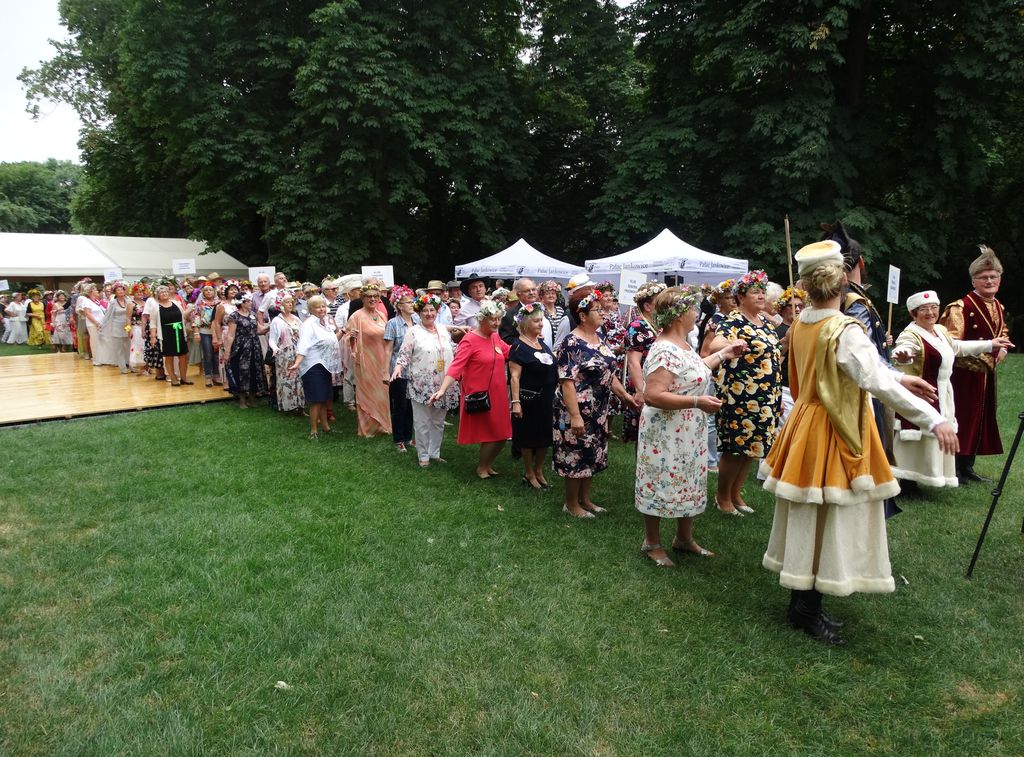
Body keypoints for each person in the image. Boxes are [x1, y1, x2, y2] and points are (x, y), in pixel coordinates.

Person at [760, 240, 957, 645]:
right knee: (829, 512)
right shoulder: (842, 329)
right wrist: (933, 418)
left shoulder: (802, 322)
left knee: (809, 512)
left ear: (807, 286)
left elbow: (864, 370)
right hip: (836, 427)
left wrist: (899, 378)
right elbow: (873, 378)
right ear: (843, 284)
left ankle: (803, 602)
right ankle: (806, 607)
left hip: (806, 422)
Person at [636, 286, 748, 566]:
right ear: (678, 315)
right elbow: (653, 395)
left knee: (688, 480)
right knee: (660, 480)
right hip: (665, 432)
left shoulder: (683, 345)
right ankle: (651, 543)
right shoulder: (664, 349)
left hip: (687, 430)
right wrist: (697, 401)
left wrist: (725, 353)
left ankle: (684, 539)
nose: (697, 313)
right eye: (693, 308)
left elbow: (694, 371)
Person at [891, 289, 1013, 489]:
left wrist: (990, 344)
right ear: (914, 313)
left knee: (931, 437)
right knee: (916, 436)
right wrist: (902, 355)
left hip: (943, 392)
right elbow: (904, 349)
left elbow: (956, 347)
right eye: (924, 309)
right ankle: (907, 481)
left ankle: (922, 476)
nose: (930, 313)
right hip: (922, 393)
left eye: (934, 308)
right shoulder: (910, 334)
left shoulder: (940, 330)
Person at [554, 286, 639, 517]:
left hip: (599, 409)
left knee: (592, 453)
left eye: (603, 309)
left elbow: (608, 373)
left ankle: (585, 499)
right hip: (577, 409)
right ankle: (571, 504)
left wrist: (625, 396)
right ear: (582, 315)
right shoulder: (571, 343)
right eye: (597, 309)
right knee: (576, 454)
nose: (604, 313)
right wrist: (575, 416)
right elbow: (567, 382)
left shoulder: (599, 338)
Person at [706, 270, 782, 516]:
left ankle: (736, 493)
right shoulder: (734, 320)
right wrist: (733, 344)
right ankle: (722, 497)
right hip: (740, 395)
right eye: (755, 292)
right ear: (740, 297)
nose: (761, 296)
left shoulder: (765, 322)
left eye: (762, 292)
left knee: (753, 447)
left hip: (766, 394)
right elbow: (715, 345)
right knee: (736, 447)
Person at [939, 246, 1011, 484]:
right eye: (984, 277)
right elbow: (951, 343)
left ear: (999, 279)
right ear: (973, 281)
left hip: (985, 374)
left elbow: (1002, 333)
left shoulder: (998, 306)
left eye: (993, 276)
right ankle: (954, 467)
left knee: (979, 419)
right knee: (962, 418)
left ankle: (967, 466)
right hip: (963, 374)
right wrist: (987, 349)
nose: (989, 281)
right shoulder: (960, 308)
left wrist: (1002, 349)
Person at [429, 299, 511, 479]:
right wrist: (442, 390)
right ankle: (482, 467)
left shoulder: (495, 337)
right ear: (482, 319)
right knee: (491, 433)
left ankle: (487, 465)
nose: (497, 323)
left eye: (499, 319)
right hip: (480, 394)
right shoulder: (470, 339)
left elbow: (509, 352)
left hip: (498, 393)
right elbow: (456, 366)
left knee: (502, 433)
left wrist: (531, 345)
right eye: (493, 319)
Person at [392, 294, 460, 466]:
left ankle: (434, 453)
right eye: (425, 311)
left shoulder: (442, 329)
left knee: (438, 422)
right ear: (419, 313)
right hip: (421, 383)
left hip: (443, 383)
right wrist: (398, 368)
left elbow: (452, 348)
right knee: (422, 422)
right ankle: (423, 455)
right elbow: (404, 354)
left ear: (437, 311)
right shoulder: (413, 332)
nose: (429, 314)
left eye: (432, 310)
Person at [509, 302, 558, 489]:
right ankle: (529, 472)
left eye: (541, 320)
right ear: (526, 323)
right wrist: (516, 402)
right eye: (536, 321)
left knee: (545, 436)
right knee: (528, 437)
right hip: (528, 399)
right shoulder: (518, 347)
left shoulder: (541, 343)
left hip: (546, 399)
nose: (540, 324)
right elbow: (514, 377)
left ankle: (539, 470)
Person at [289, 295, 342, 438]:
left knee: (324, 398)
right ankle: (313, 431)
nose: (321, 309)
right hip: (313, 366)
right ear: (311, 309)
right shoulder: (309, 324)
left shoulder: (324, 322)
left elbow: (333, 340)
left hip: (324, 365)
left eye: (323, 306)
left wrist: (343, 331)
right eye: (317, 307)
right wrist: (297, 363)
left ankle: (325, 427)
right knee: (316, 400)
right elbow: (303, 345)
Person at [346, 281, 392, 437]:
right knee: (367, 394)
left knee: (382, 394)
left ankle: (383, 426)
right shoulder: (356, 316)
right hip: (365, 361)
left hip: (382, 360)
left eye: (375, 296)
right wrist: (351, 337)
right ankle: (367, 429)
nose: (372, 299)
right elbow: (347, 339)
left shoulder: (382, 315)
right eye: (369, 296)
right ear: (363, 298)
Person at [624, 281, 667, 443]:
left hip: (661, 382)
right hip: (644, 384)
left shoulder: (661, 324)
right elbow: (633, 362)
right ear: (647, 306)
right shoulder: (637, 326)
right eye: (659, 301)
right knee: (645, 434)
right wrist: (641, 390)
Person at [383, 285, 419, 452]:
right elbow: (388, 349)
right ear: (399, 306)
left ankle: (409, 436)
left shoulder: (417, 321)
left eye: (412, 301)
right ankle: (399, 439)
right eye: (408, 302)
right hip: (399, 371)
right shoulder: (393, 324)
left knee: (412, 406)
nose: (412, 304)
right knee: (400, 406)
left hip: (416, 370)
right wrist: (385, 371)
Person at [225, 292, 268, 406]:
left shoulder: (252, 314)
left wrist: (270, 326)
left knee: (254, 371)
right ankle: (242, 400)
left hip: (254, 348)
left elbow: (259, 330)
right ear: (242, 303)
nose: (250, 303)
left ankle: (252, 399)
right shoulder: (234, 316)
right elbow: (230, 335)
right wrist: (227, 351)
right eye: (248, 301)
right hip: (241, 349)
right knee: (242, 372)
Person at [146, 284, 191, 385]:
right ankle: (173, 378)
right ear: (157, 295)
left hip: (179, 332)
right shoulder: (155, 307)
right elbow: (153, 323)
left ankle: (184, 378)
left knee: (183, 356)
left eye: (166, 292)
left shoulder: (176, 303)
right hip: (166, 334)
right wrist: (153, 337)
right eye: (161, 292)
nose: (164, 294)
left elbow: (183, 315)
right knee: (169, 356)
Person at [268, 294, 306, 414]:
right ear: (280, 305)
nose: (290, 304)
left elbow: (304, 334)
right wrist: (275, 348)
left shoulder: (296, 319)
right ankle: (288, 407)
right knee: (286, 378)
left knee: (299, 378)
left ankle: (300, 406)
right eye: (287, 302)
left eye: (291, 302)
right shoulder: (276, 321)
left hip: (298, 352)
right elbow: (272, 339)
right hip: (284, 354)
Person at [774, 285, 806, 425]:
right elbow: (774, 365)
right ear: (782, 309)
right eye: (792, 306)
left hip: (802, 391)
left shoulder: (804, 331)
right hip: (786, 391)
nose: (797, 309)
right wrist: (778, 395)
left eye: (800, 306)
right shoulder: (778, 333)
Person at [97, 281, 131, 372]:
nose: (120, 291)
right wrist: (101, 325)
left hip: (127, 326)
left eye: (122, 290)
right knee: (119, 348)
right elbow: (107, 315)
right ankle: (123, 367)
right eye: (118, 290)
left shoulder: (129, 301)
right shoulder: (113, 302)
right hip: (116, 327)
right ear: (115, 292)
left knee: (128, 347)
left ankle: (130, 364)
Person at [191, 283, 220, 386]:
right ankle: (208, 376)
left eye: (210, 290)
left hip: (217, 332)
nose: (208, 292)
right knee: (208, 354)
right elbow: (196, 318)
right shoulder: (200, 304)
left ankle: (217, 375)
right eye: (206, 290)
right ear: (203, 293)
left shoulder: (219, 303)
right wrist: (196, 332)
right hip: (204, 332)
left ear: (214, 292)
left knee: (216, 355)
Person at [212, 281, 240, 386]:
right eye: (231, 289)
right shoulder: (221, 305)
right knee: (226, 356)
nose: (234, 291)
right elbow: (217, 322)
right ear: (227, 291)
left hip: (239, 333)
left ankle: (238, 380)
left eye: (235, 289)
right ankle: (226, 381)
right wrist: (219, 338)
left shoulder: (240, 304)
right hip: (226, 332)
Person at [79, 285, 106, 366]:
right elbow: (88, 313)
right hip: (93, 324)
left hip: (101, 324)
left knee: (101, 342)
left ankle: (102, 358)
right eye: (95, 290)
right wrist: (96, 323)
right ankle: (96, 359)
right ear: (91, 292)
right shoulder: (86, 301)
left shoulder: (96, 301)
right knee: (95, 341)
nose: (98, 291)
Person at [128, 283, 149, 373]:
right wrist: (128, 330)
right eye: (137, 292)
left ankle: (146, 366)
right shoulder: (131, 304)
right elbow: (127, 318)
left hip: (146, 327)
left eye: (141, 292)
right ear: (133, 293)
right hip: (136, 328)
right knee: (137, 345)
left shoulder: (146, 303)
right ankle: (138, 366)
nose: (139, 293)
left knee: (145, 346)